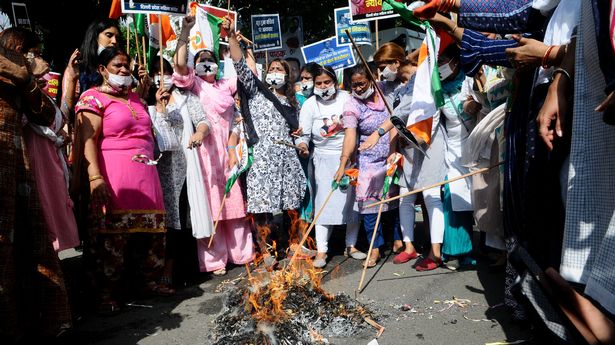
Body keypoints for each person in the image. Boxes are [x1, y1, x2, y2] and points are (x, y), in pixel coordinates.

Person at [73, 47, 169, 315]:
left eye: (126, 65)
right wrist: (95, 177)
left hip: (147, 176)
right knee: (113, 240)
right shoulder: (92, 98)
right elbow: (88, 140)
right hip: (114, 178)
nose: (124, 70)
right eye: (117, 65)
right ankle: (104, 294)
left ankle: (148, 283)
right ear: (102, 70)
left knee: (152, 235)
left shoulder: (136, 99)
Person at [0, 27, 72, 341]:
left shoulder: (21, 78)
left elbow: (47, 115)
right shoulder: (9, 66)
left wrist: (28, 80)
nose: (39, 60)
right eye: (35, 52)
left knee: (29, 248)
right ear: (17, 47)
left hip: (17, 169)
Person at [174, 15, 253, 276]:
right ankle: (214, 259)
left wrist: (233, 40)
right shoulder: (194, 85)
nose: (207, 64)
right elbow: (179, 65)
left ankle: (242, 253)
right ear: (195, 66)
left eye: (211, 60)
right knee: (210, 206)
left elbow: (247, 74)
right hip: (205, 153)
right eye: (201, 60)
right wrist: (184, 33)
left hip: (229, 149)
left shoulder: (225, 85)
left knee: (235, 202)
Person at [227, 18, 306, 266]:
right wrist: (231, 37)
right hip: (261, 157)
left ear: (287, 75)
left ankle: (294, 245)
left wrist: (302, 142)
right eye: (271, 69)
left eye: (280, 70)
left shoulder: (295, 102)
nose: (275, 73)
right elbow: (240, 65)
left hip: (287, 158)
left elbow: (301, 130)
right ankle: (266, 250)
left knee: (292, 203)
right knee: (262, 205)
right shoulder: (256, 91)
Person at [148, 58, 211, 286]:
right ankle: (153, 272)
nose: (161, 77)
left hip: (182, 168)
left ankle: (178, 269)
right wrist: (159, 108)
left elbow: (203, 121)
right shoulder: (144, 99)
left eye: (166, 72)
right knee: (159, 221)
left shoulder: (186, 98)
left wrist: (200, 133)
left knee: (180, 218)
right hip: (154, 169)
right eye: (157, 71)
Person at [296, 65, 366, 268]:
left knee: (352, 202)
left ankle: (351, 245)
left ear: (335, 82)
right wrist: (302, 145)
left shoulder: (347, 98)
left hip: (350, 156)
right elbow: (304, 134)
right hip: (323, 159)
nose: (323, 86)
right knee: (323, 203)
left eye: (327, 82)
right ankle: (322, 250)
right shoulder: (310, 104)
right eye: (319, 83)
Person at [334, 64, 400, 268]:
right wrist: (343, 162)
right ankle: (375, 248)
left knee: (394, 201)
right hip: (368, 161)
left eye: (362, 83)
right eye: (354, 85)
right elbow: (350, 135)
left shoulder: (384, 89)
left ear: (371, 80)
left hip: (391, 155)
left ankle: (398, 239)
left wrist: (393, 151)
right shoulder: (351, 105)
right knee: (369, 207)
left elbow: (396, 121)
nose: (359, 88)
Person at [22, 32, 80, 253]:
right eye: (35, 54)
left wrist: (71, 78)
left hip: (51, 164)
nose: (43, 59)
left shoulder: (40, 91)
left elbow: (58, 119)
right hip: (34, 165)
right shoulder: (17, 91)